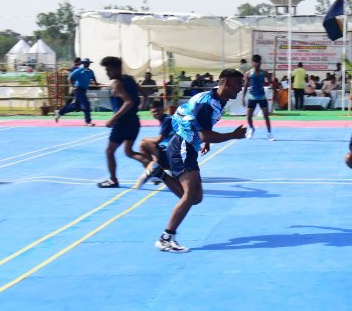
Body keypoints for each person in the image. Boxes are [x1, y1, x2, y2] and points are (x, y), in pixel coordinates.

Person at [142, 68, 247, 252]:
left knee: (196, 198)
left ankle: (159, 173)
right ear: (227, 83)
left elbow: (197, 125)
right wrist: (232, 135)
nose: (241, 88)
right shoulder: (208, 103)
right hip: (183, 145)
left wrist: (205, 140)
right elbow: (203, 132)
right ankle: (166, 238)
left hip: (187, 143)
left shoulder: (218, 99)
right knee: (189, 195)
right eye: (238, 84)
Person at [97, 56, 151, 188]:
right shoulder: (130, 79)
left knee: (109, 151)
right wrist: (142, 105)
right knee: (129, 152)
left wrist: (112, 119)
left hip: (122, 123)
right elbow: (145, 94)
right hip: (134, 122)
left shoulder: (117, 83)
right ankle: (153, 167)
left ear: (116, 69)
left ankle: (113, 180)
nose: (107, 73)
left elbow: (128, 102)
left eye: (109, 70)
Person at [138, 99, 174, 185]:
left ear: (163, 109)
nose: (156, 113)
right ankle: (157, 168)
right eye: (153, 112)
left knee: (143, 145)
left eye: (158, 110)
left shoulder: (167, 120)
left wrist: (145, 139)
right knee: (149, 145)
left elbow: (158, 140)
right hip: (173, 151)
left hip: (172, 152)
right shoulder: (166, 119)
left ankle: (155, 170)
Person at [55, 58, 99, 126]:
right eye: (85, 63)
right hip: (78, 89)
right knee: (86, 104)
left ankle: (60, 112)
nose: (87, 64)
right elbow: (69, 78)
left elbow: (94, 80)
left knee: (76, 106)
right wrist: (72, 86)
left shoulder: (91, 72)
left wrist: (97, 84)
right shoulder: (78, 70)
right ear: (83, 64)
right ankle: (88, 121)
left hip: (84, 90)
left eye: (88, 63)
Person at [241, 54, 274, 141]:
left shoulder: (264, 73)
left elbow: (272, 83)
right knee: (248, 117)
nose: (257, 64)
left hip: (262, 97)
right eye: (255, 62)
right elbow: (245, 86)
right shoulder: (248, 74)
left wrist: (274, 90)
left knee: (266, 116)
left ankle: (269, 133)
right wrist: (243, 98)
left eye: (258, 62)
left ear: (260, 63)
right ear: (252, 63)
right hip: (252, 98)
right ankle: (251, 128)